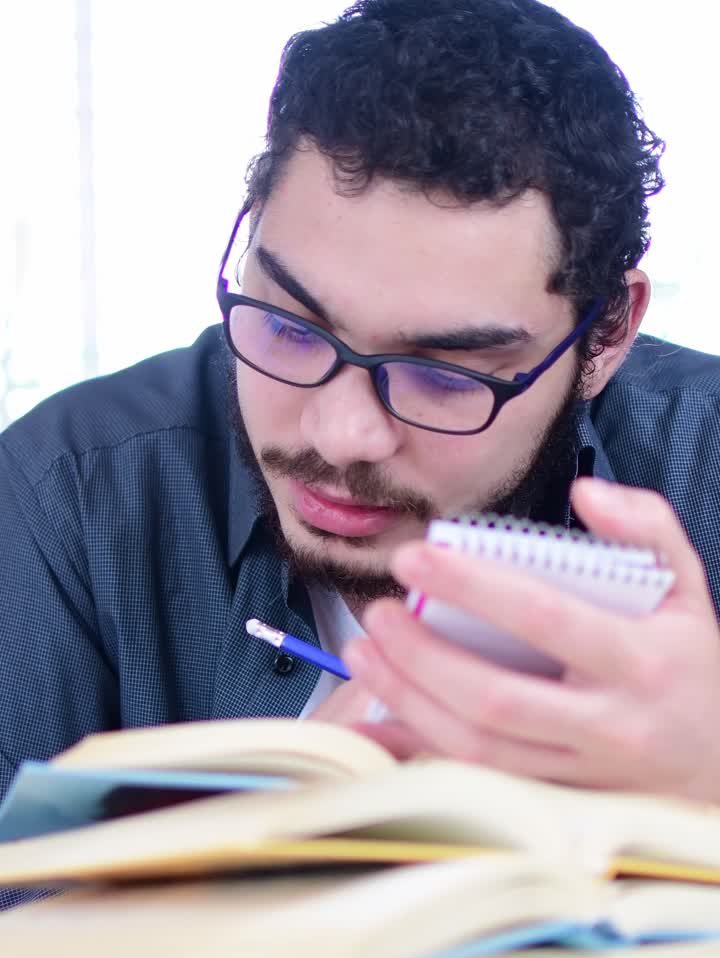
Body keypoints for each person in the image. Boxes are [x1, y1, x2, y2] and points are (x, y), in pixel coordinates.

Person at [2, 0, 720, 858]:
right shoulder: (67, 496)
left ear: (604, 335)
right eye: (290, 328)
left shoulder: (704, 464)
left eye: (442, 373)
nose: (341, 434)